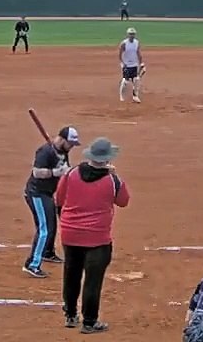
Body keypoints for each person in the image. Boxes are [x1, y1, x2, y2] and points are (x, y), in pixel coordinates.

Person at [55, 136, 130, 333]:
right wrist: (116, 177)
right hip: (97, 239)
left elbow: (59, 199)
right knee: (92, 281)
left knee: (71, 275)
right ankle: (89, 322)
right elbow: (123, 201)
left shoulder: (71, 174)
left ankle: (70, 315)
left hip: (70, 235)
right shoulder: (112, 180)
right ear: (107, 159)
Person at [23, 126, 81, 278]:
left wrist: (66, 171)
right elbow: (37, 172)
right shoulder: (45, 152)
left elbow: (64, 169)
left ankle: (47, 252)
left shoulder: (62, 152)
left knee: (52, 225)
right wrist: (56, 172)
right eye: (70, 143)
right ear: (62, 140)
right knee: (45, 229)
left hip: (48, 193)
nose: (71, 147)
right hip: (37, 193)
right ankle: (32, 264)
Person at [119, 27, 144, 104]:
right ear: (128, 35)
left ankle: (135, 96)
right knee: (125, 81)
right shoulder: (124, 43)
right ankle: (121, 95)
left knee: (136, 80)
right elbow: (120, 54)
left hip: (134, 65)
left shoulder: (137, 43)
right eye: (130, 34)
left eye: (133, 34)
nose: (132, 35)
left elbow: (139, 54)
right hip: (126, 65)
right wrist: (122, 63)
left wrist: (141, 63)